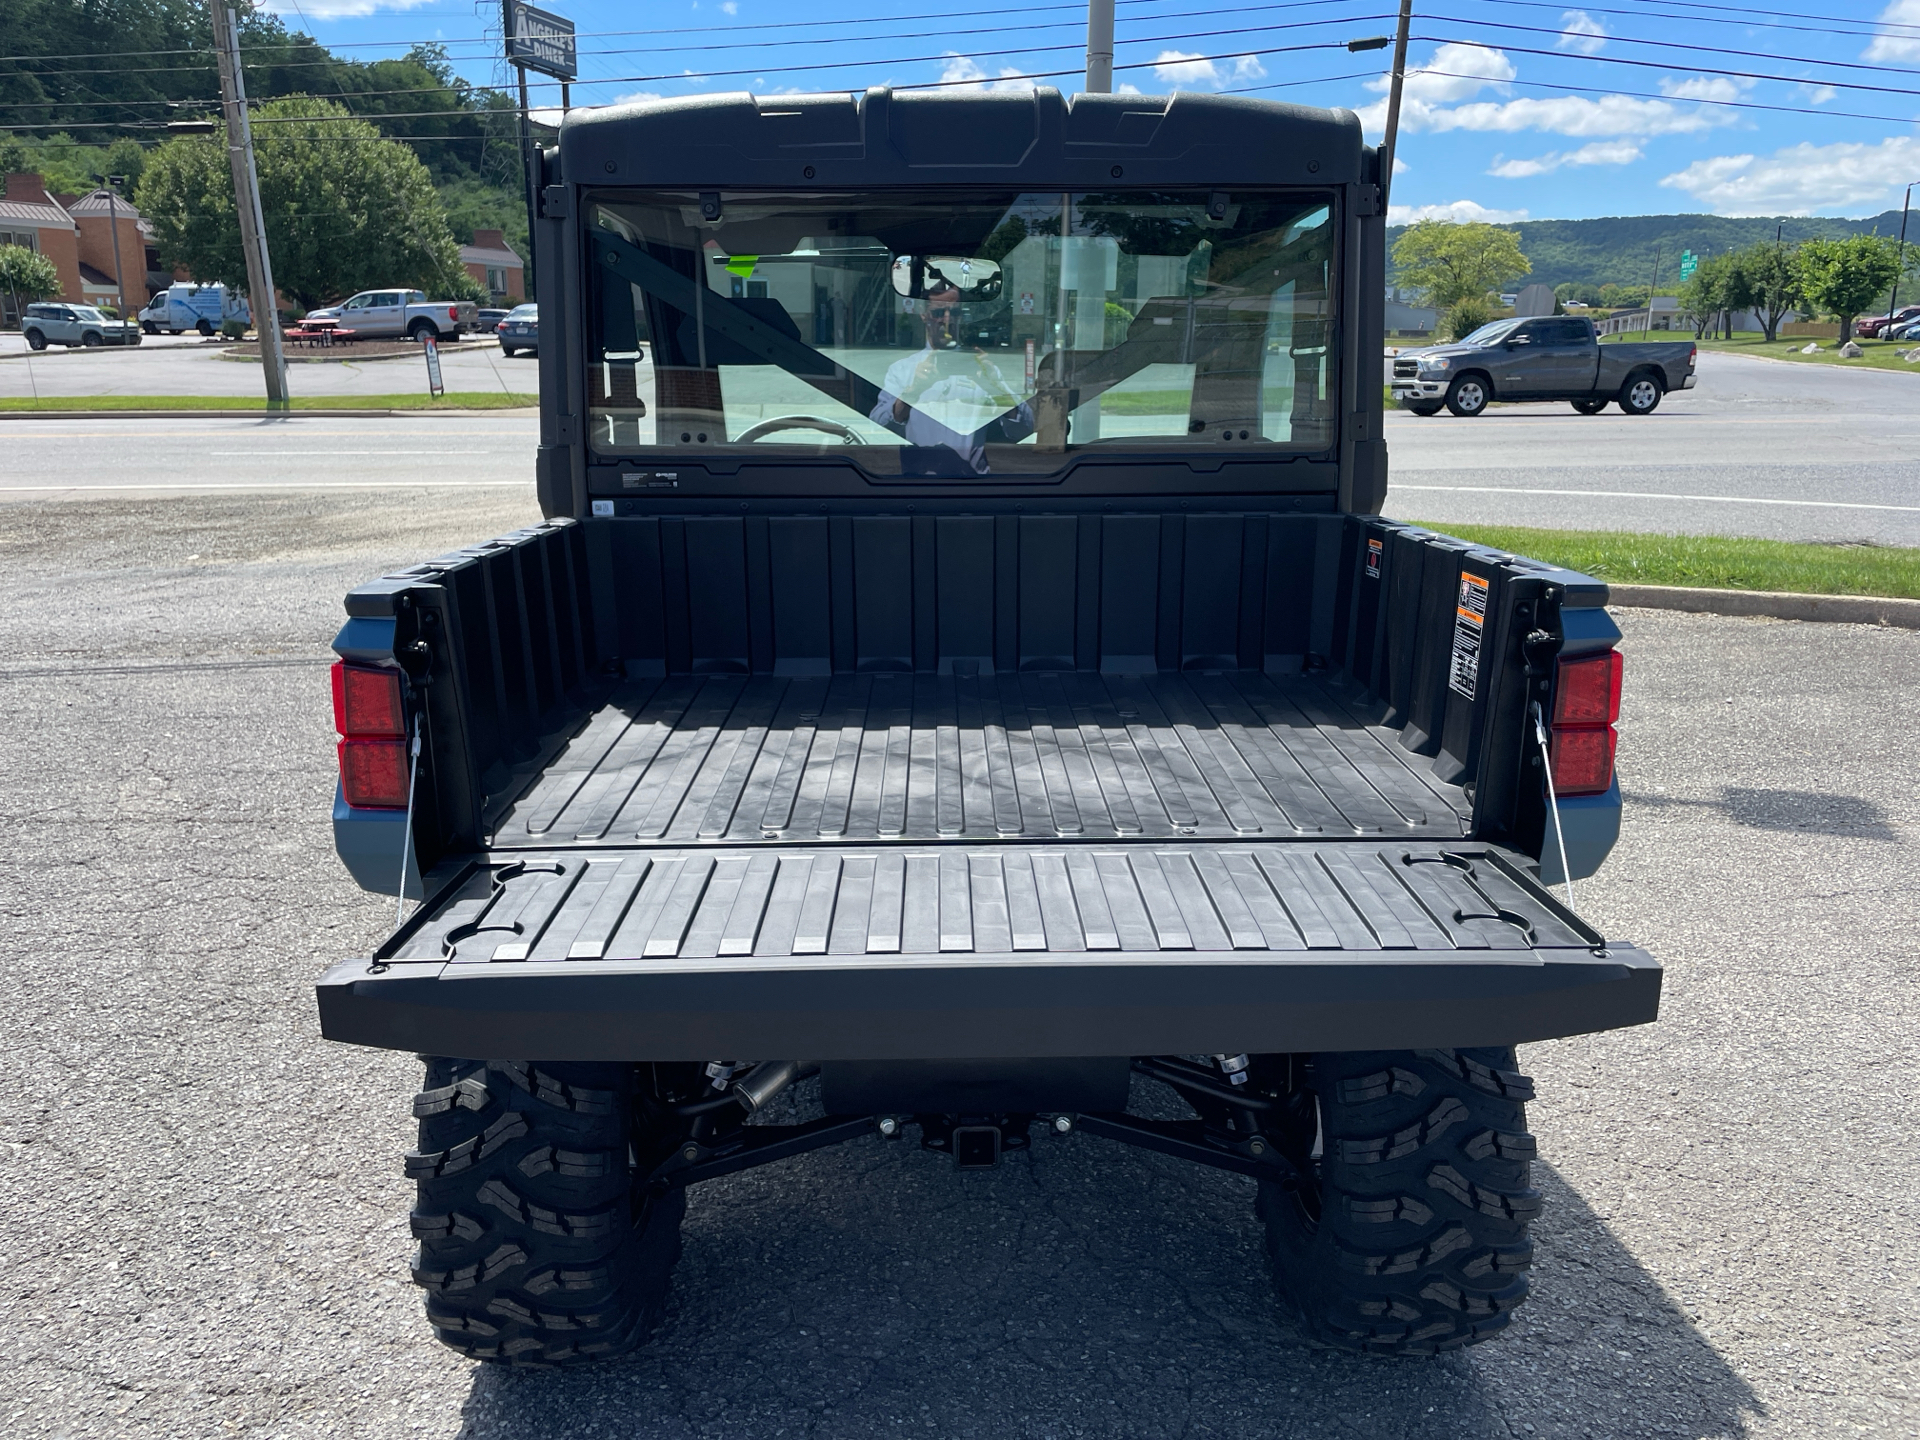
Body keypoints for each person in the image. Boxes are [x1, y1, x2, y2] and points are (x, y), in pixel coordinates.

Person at [871, 283, 1032, 473]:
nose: (947, 320)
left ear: (961, 317)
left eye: (954, 313)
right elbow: (877, 428)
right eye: (939, 313)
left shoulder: (980, 368)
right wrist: (913, 391)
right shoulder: (903, 370)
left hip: (972, 485)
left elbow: (1025, 428)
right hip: (919, 486)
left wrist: (993, 386)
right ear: (924, 315)